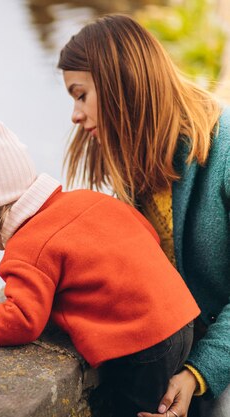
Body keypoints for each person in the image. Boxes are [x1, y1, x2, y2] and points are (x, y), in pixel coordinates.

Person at [0, 120, 199, 417]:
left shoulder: (27, 247)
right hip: (182, 319)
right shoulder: (85, 199)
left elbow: (21, 319)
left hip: (145, 343)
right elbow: (148, 234)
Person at [58, 13, 230, 417]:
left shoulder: (225, 151)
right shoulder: (132, 169)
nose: (75, 115)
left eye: (80, 95)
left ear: (119, 84)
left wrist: (197, 374)